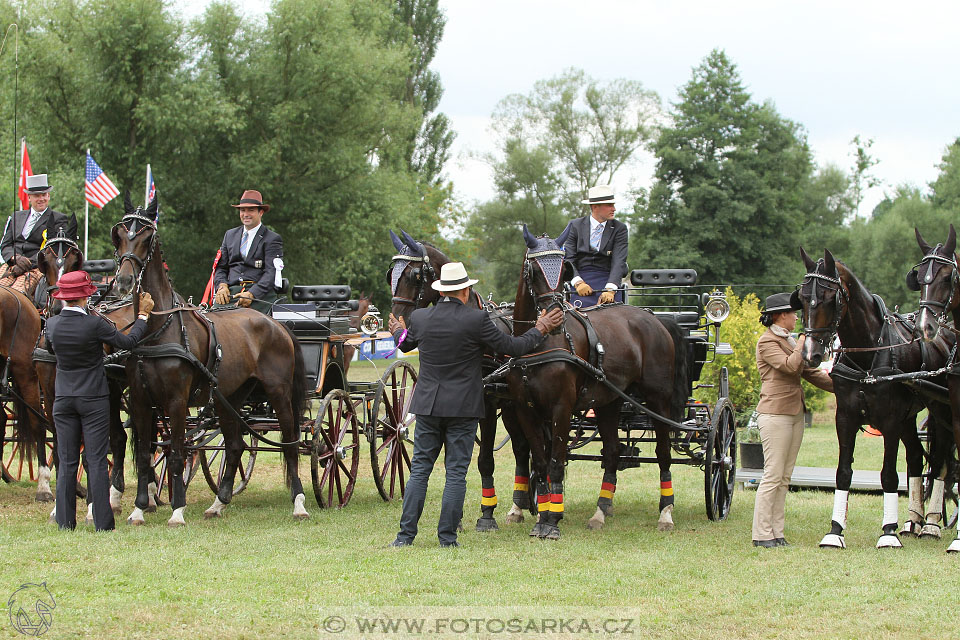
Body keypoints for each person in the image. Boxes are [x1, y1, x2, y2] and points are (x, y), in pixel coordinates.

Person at [386, 262, 564, 548]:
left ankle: (404, 537)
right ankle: (447, 538)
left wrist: (396, 331)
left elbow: (406, 344)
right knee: (456, 472)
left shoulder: (420, 318)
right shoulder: (477, 320)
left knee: (420, 470)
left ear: (442, 290)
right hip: (463, 407)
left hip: (428, 406)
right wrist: (541, 328)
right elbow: (514, 347)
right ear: (466, 291)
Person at [44, 271, 154, 531]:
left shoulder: (52, 325)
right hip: (92, 398)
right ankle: (103, 523)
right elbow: (127, 342)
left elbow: (51, 349)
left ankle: (65, 521)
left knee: (67, 460)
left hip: (63, 399)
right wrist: (142, 317)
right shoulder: (94, 325)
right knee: (95, 460)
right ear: (85, 297)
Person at [752, 292, 834, 548]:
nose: (797, 316)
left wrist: (842, 387)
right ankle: (762, 533)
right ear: (779, 315)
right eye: (793, 312)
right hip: (775, 414)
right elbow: (789, 366)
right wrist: (801, 342)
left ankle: (777, 532)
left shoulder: (786, 340)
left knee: (784, 477)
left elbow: (809, 372)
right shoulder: (767, 342)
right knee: (773, 475)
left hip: (794, 414)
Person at [0, 174, 78, 296]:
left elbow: (53, 250)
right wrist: (15, 258)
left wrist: (28, 263)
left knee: (14, 295)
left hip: (36, 268)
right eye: (37, 196)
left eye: (44, 195)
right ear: (29, 197)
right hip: (11, 265)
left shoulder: (58, 219)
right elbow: (5, 245)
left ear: (49, 196)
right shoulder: (17, 216)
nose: (41, 199)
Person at [213, 189, 283, 314]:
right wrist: (222, 286)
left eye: (251, 210)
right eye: (242, 210)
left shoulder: (272, 239)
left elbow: (271, 273)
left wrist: (252, 294)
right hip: (232, 293)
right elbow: (221, 268)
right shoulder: (230, 235)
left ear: (260, 212)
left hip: (259, 295)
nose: (246, 214)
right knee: (209, 322)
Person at [562, 184, 628, 307]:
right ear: (595, 207)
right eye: (609, 205)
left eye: (613, 205)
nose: (613, 209)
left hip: (608, 278)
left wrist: (611, 289)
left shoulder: (620, 229)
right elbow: (569, 259)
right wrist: (578, 283)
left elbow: (619, 261)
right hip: (582, 279)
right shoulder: (575, 226)